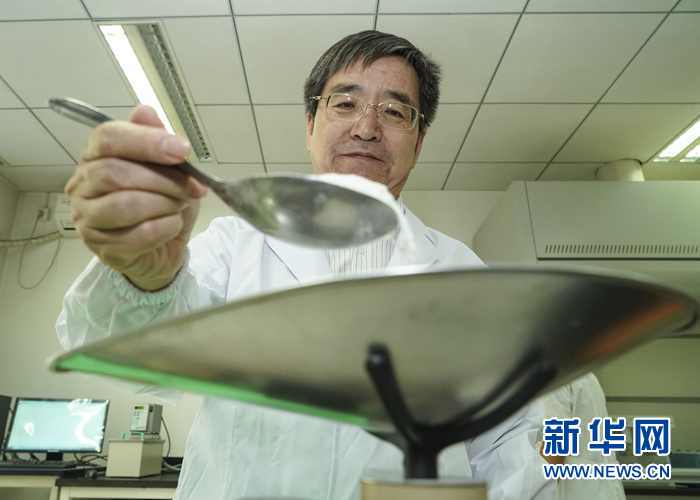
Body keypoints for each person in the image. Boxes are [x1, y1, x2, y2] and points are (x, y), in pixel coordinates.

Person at [56, 30, 554, 499]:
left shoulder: (460, 271)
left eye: (394, 112)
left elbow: (508, 437)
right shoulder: (235, 245)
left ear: (418, 141)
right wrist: (146, 277)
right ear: (311, 125)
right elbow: (137, 360)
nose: (366, 128)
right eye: (345, 103)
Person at [537, 373, 627, 500]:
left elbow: (555, 448)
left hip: (580, 491)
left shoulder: (557, 381)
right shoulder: (586, 375)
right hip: (603, 490)